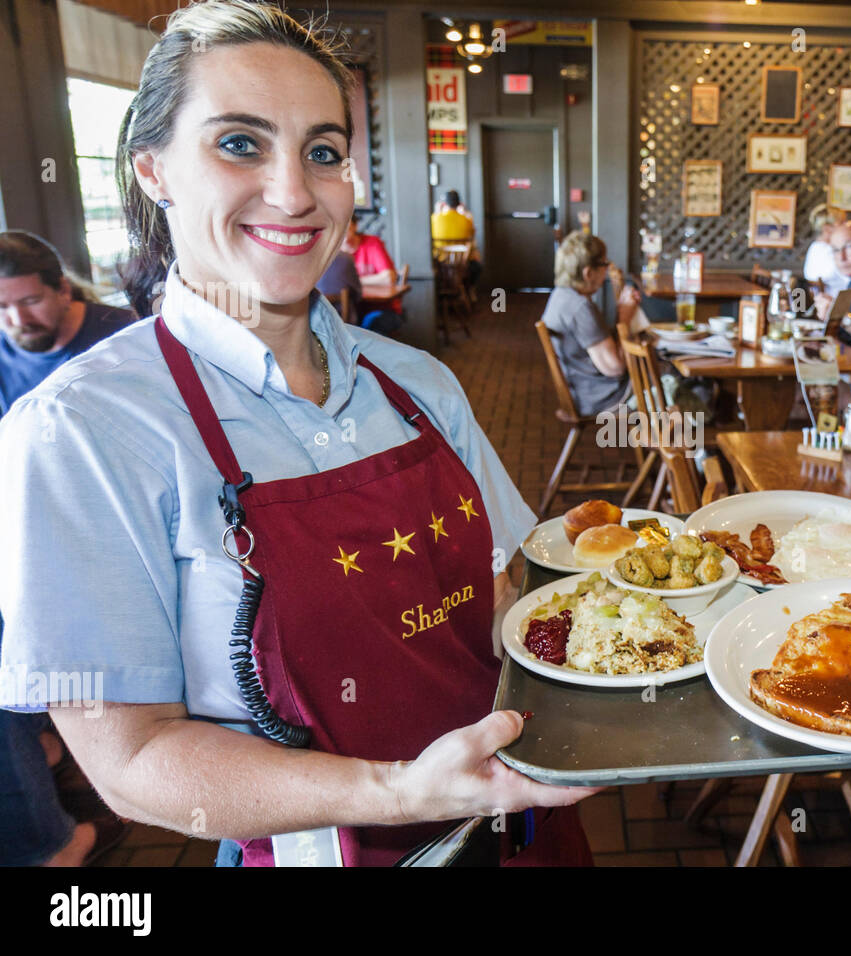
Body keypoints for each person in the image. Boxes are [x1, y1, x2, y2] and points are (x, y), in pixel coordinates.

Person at [0, 0, 597, 868]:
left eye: (323, 152)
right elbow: (129, 763)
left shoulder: (420, 382)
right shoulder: (80, 433)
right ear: (153, 168)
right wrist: (397, 791)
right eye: (239, 143)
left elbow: (500, 599)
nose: (294, 191)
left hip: (529, 822)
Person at [0, 231, 135, 866]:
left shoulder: (121, 340)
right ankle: (43, 740)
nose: (14, 321)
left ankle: (49, 837)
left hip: (107, 543)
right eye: (0, 308)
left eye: (27, 303)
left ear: (62, 289)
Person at [0, 231, 136, 415]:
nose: (19, 320)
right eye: (2, 307)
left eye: (31, 301)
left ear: (63, 291)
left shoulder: (128, 335)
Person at [540, 231, 641, 418]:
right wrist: (625, 317)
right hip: (604, 398)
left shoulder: (560, 296)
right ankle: (693, 443)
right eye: (604, 264)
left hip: (582, 391)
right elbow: (614, 368)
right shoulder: (579, 308)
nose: (607, 270)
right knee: (673, 378)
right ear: (588, 273)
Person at [802, 204, 850, 298]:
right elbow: (850, 281)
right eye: (841, 223)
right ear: (826, 228)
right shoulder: (829, 252)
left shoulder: (815, 248)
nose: (846, 227)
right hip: (836, 307)